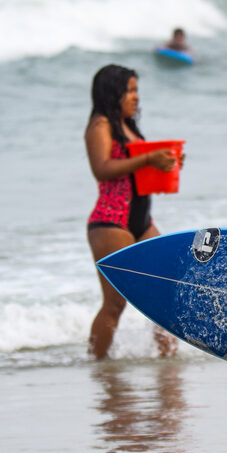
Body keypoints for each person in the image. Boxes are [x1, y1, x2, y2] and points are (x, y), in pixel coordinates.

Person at [85, 65, 179, 359]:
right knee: (115, 304)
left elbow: (138, 173)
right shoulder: (100, 125)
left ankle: (169, 362)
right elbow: (101, 169)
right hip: (111, 222)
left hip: (142, 220)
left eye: (137, 90)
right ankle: (97, 364)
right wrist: (149, 157)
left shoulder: (129, 125)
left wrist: (168, 164)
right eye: (130, 90)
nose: (136, 97)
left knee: (165, 293)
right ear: (113, 92)